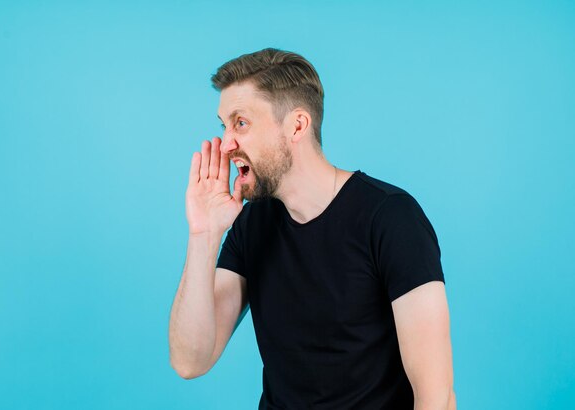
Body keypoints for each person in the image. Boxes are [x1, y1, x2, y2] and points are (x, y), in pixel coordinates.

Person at [169, 47, 456, 409]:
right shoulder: (251, 223)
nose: (226, 145)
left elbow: (437, 397)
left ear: (297, 125)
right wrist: (203, 235)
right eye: (223, 125)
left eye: (240, 123)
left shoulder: (390, 218)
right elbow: (189, 361)